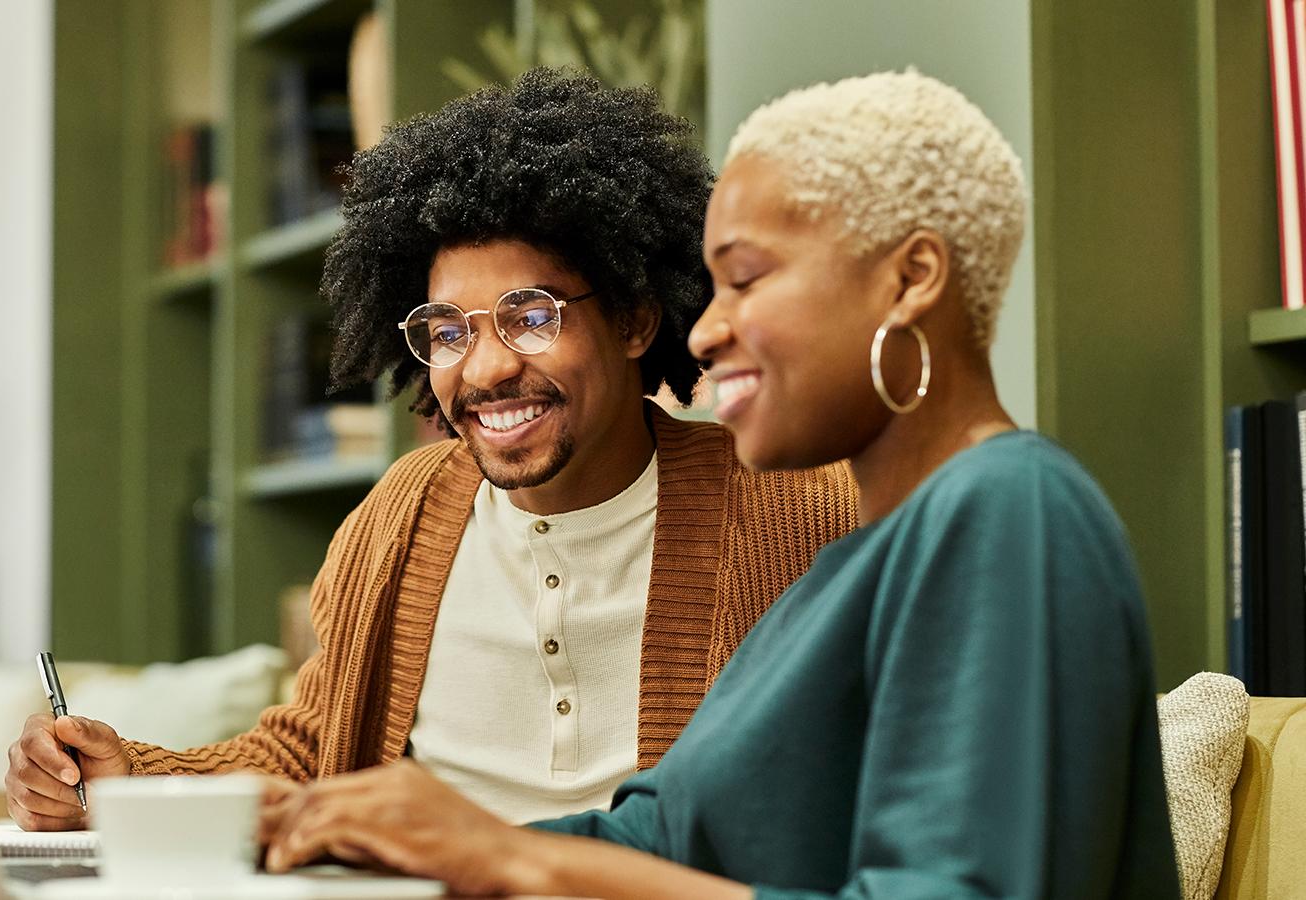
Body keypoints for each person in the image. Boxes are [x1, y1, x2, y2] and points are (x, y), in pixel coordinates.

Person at [259, 70, 1181, 898]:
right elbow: (650, 840)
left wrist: (515, 860)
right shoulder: (844, 574)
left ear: (912, 280)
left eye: (746, 281)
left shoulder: (1008, 507)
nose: (703, 333)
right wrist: (371, 836)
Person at [4, 68, 858, 832]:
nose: (484, 369)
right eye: (447, 330)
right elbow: (313, 750)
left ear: (635, 320)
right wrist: (128, 780)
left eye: (531, 316)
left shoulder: (796, 510)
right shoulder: (403, 512)